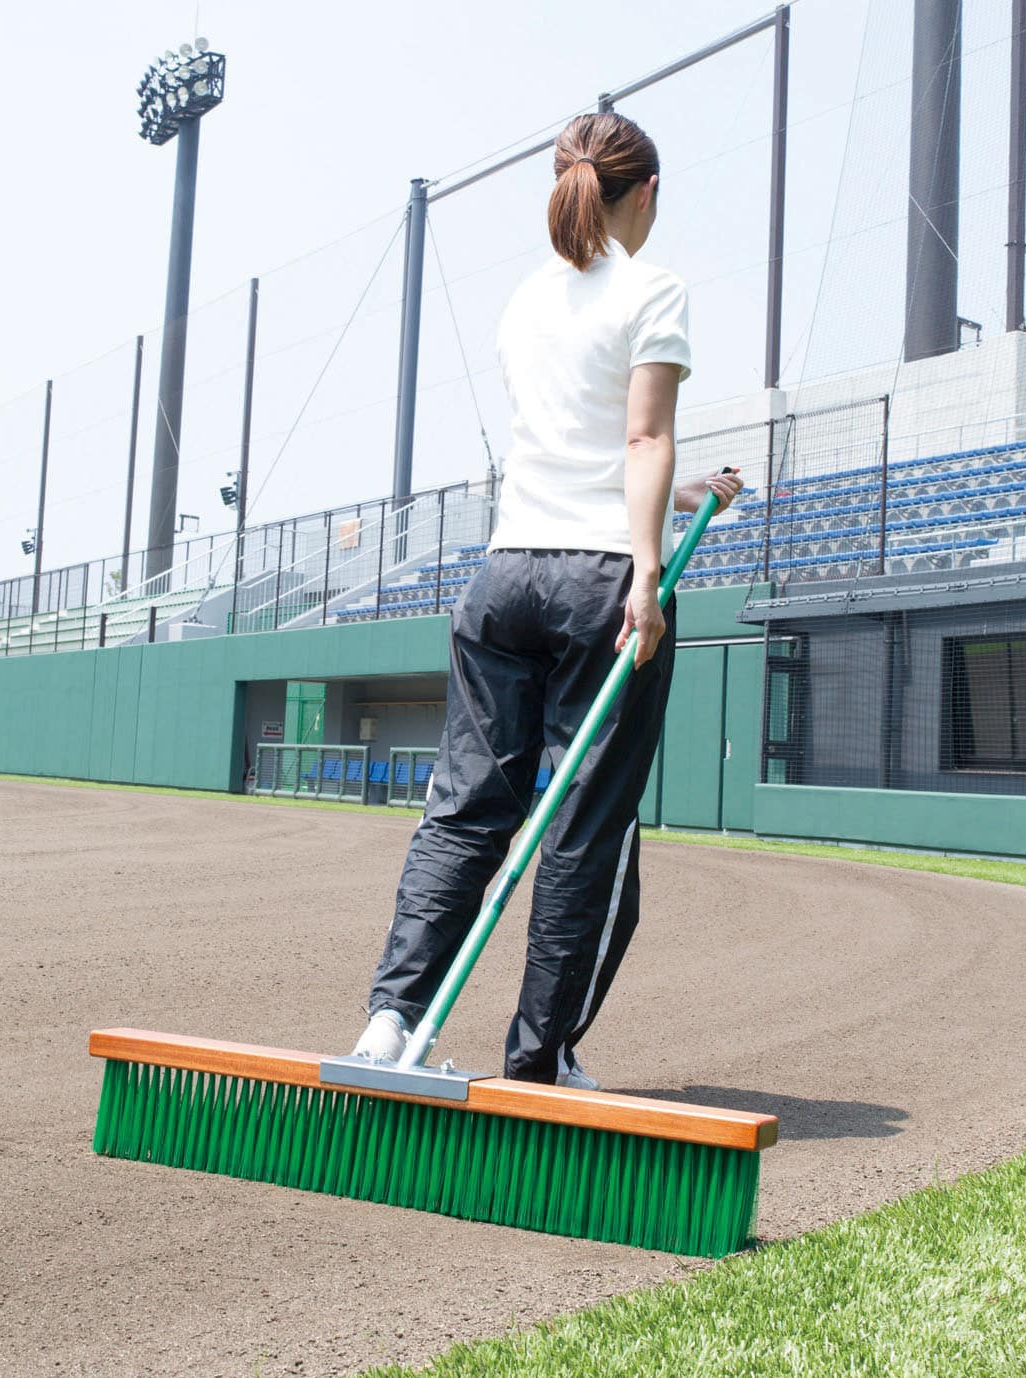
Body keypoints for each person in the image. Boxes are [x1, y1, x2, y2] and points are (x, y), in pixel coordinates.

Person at [351, 112, 742, 1087]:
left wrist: (686, 494)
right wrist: (648, 573)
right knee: (587, 821)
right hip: (600, 581)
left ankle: (390, 1022)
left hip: (504, 579)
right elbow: (642, 439)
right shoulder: (656, 289)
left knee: (463, 810)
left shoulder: (525, 299)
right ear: (642, 193)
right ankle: (537, 1056)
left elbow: (585, 444)